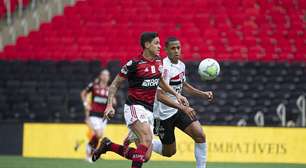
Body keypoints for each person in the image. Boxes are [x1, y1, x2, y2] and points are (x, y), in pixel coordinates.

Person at [91, 32, 189, 168]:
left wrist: (177, 95)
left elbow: (160, 81)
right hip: (134, 107)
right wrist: (109, 105)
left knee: (145, 156)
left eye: (160, 43)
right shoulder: (134, 64)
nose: (160, 46)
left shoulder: (159, 61)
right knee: (147, 138)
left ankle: (108, 145)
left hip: (149, 110)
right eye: (156, 43)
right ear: (147, 45)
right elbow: (114, 84)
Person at [151, 37, 213, 168]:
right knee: (169, 152)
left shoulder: (181, 65)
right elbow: (160, 96)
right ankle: (146, 142)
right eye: (173, 48)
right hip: (162, 116)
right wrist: (183, 107)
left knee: (200, 135)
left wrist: (202, 94)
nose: (176, 51)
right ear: (166, 50)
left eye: (178, 48)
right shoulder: (163, 68)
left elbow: (183, 85)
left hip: (178, 110)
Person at [80, 69, 116, 162]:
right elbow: (83, 93)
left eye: (107, 75)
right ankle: (89, 151)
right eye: (103, 75)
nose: (105, 77)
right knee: (98, 134)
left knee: (99, 136)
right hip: (94, 114)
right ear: (100, 76)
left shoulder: (109, 89)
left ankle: (91, 153)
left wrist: (112, 101)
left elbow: (114, 101)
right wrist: (85, 104)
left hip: (103, 116)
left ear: (109, 78)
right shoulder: (94, 86)